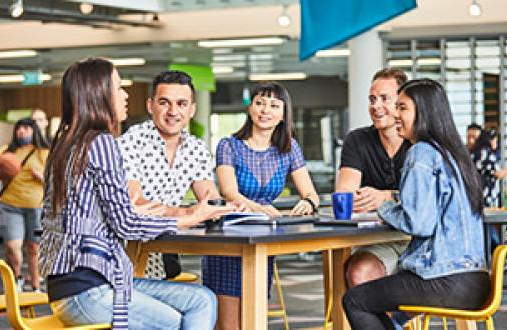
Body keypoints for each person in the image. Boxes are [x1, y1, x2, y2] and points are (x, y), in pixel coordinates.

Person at [39, 58, 234, 329]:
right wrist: (186, 218)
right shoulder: (102, 143)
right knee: (179, 322)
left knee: (202, 299)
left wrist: (131, 210)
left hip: (77, 284)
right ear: (99, 95)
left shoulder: (66, 143)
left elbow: (91, 211)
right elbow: (127, 224)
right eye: (119, 88)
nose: (125, 94)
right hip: (88, 289)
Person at [342, 79, 490, 329]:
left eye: (403, 108)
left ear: (423, 113)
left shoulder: (421, 152)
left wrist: (382, 205)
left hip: (443, 278)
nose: (395, 115)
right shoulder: (454, 154)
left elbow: (419, 223)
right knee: (392, 312)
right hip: (476, 280)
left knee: (356, 300)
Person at [202, 82, 320, 330]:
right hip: (228, 238)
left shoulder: (288, 149)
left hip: (261, 242)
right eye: (260, 103)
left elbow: (311, 193)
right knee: (227, 325)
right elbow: (229, 192)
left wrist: (307, 201)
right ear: (250, 108)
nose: (266, 110)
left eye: (274, 105)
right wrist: (258, 208)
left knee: (253, 321)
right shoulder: (229, 145)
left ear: (283, 114)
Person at [118, 70, 235, 279]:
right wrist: (187, 213)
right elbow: (135, 204)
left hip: (165, 252)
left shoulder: (196, 148)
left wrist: (230, 207)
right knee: (198, 301)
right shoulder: (131, 141)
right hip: (126, 255)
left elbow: (209, 198)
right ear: (150, 106)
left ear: (192, 110)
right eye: (164, 103)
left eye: (181, 104)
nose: (173, 111)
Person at [336, 68, 411, 287]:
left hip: (418, 241)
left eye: (384, 99)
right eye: (372, 99)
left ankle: (391, 321)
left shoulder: (420, 143)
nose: (376, 106)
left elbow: (429, 200)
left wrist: (386, 197)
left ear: (402, 102)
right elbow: (345, 194)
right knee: (358, 272)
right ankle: (384, 323)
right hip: (377, 241)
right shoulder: (357, 140)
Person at [0, 118, 49, 292]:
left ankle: (36, 285)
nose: (22, 131)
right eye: (19, 128)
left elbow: (56, 181)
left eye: (26, 128)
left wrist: (42, 178)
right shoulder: (6, 151)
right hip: (10, 205)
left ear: (35, 131)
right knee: (12, 246)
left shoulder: (44, 152)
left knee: (34, 247)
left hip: (36, 207)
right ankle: (16, 279)